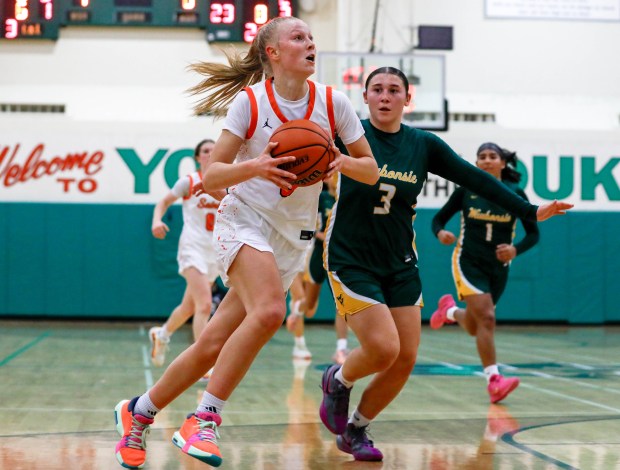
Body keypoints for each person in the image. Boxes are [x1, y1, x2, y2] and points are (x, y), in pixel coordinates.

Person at [113, 16, 379, 469]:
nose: (310, 43)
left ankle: (137, 413)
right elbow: (212, 175)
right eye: (299, 37)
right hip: (244, 219)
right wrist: (254, 167)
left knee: (212, 343)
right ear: (273, 53)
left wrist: (339, 161)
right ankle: (204, 417)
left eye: (312, 38)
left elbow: (370, 169)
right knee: (272, 310)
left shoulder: (334, 104)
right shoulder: (250, 103)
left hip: (292, 236)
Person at [318, 66, 573, 462]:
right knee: (384, 348)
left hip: (399, 259)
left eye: (394, 90)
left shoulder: (423, 144)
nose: (385, 96)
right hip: (351, 257)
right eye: (377, 90)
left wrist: (530, 209)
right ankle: (339, 378)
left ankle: (356, 429)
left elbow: (477, 179)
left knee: (405, 358)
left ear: (407, 99)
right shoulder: (345, 135)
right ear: (364, 97)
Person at [429, 143, 538, 403]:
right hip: (468, 261)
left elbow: (534, 234)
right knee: (487, 318)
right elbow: (438, 220)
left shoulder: (514, 192)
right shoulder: (467, 191)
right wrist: (441, 233)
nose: (487, 160)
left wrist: (515, 249)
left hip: (498, 267)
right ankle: (494, 380)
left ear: (503, 163)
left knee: (477, 325)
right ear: (476, 163)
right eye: (482, 157)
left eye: (492, 156)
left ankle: (450, 312)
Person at [148, 139, 222, 370]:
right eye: (205, 151)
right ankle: (204, 364)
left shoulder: (228, 182)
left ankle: (162, 334)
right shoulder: (189, 182)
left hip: (215, 252)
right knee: (204, 305)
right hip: (192, 248)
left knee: (188, 307)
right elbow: (164, 202)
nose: (210, 153)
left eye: (213, 149)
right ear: (198, 157)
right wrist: (157, 220)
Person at [286, 175, 351, 364]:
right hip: (309, 250)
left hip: (338, 254)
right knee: (306, 304)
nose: (335, 178)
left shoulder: (347, 196)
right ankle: (298, 336)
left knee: (334, 305)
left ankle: (341, 349)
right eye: (331, 175)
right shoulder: (319, 197)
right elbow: (312, 228)